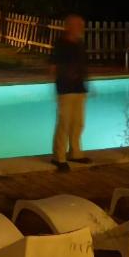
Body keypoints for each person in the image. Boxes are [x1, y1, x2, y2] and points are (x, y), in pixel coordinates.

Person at [49, 14, 91, 172]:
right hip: (66, 89)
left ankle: (76, 154)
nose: (81, 28)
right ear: (69, 27)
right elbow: (53, 66)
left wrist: (88, 83)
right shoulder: (61, 44)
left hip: (79, 88)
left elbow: (83, 65)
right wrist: (57, 83)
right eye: (78, 25)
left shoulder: (80, 43)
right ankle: (58, 157)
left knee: (78, 123)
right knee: (64, 123)